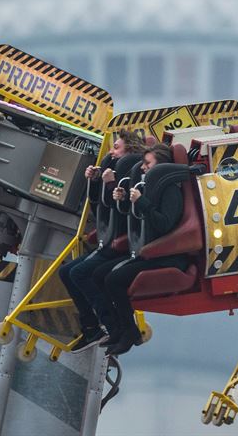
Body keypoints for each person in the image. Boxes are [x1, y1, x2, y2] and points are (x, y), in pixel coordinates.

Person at [59, 130, 145, 352]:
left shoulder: (130, 174)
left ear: (130, 149)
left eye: (116, 147)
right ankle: (91, 327)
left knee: (80, 273)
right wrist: (95, 181)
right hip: (107, 238)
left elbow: (119, 207)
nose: (111, 151)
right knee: (67, 271)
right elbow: (97, 203)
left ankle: (111, 326)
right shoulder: (118, 169)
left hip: (119, 242)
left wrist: (109, 183)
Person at [99, 144, 188, 356]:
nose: (144, 168)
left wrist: (141, 202)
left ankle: (129, 332)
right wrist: (123, 197)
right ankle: (119, 329)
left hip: (167, 256)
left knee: (114, 279)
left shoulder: (171, 191)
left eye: (148, 164)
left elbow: (164, 224)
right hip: (150, 250)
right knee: (101, 275)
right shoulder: (151, 187)